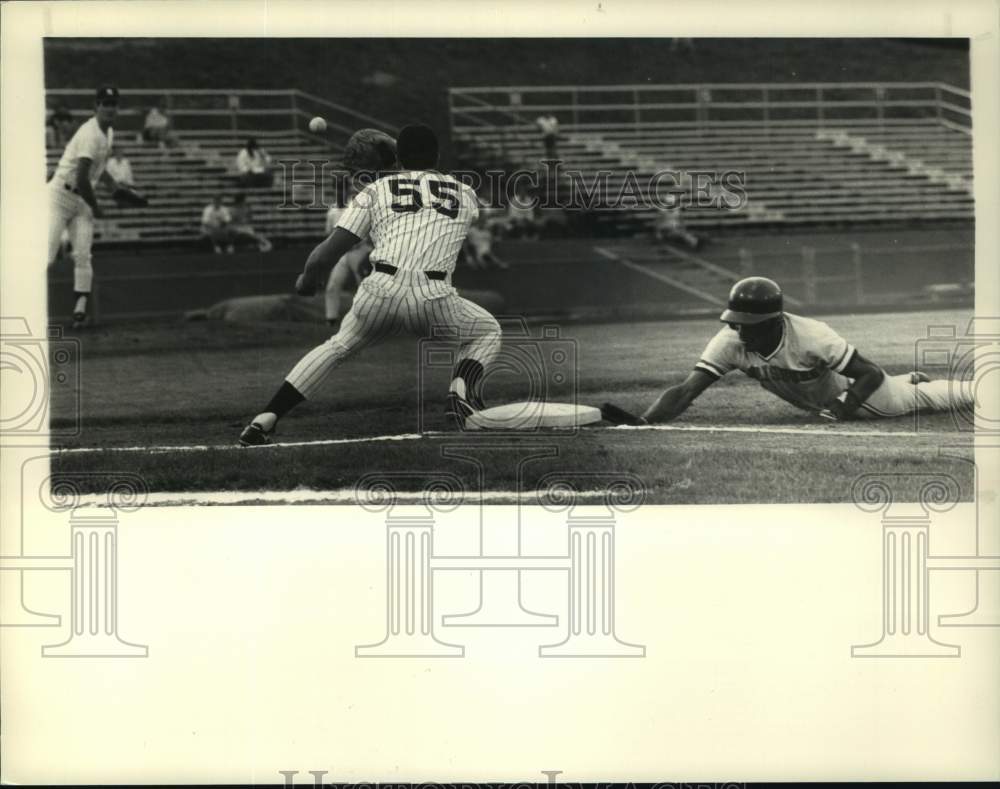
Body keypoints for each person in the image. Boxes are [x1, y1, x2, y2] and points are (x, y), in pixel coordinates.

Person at [238, 123, 502, 445]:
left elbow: (323, 257)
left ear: (398, 156)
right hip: (435, 297)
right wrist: (401, 160)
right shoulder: (465, 192)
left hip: (380, 291)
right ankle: (459, 391)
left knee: (337, 347)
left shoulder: (373, 191)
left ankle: (267, 417)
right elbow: (434, 189)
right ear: (437, 154)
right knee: (487, 331)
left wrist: (306, 282)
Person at [602, 277, 974, 425]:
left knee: (931, 399)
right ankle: (909, 380)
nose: (737, 328)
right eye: (735, 319)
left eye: (746, 321)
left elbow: (870, 374)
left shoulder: (813, 336)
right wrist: (645, 423)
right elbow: (686, 391)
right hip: (825, 398)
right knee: (906, 388)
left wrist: (841, 407)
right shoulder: (731, 341)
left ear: (772, 321)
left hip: (862, 396)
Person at [46, 85, 122, 328]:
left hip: (80, 200)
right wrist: (97, 207)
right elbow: (80, 178)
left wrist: (114, 186)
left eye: (112, 104)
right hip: (59, 196)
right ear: (96, 107)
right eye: (105, 104)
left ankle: (79, 311)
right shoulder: (90, 134)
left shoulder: (108, 133)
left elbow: (97, 170)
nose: (109, 108)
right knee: (45, 255)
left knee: (83, 255)